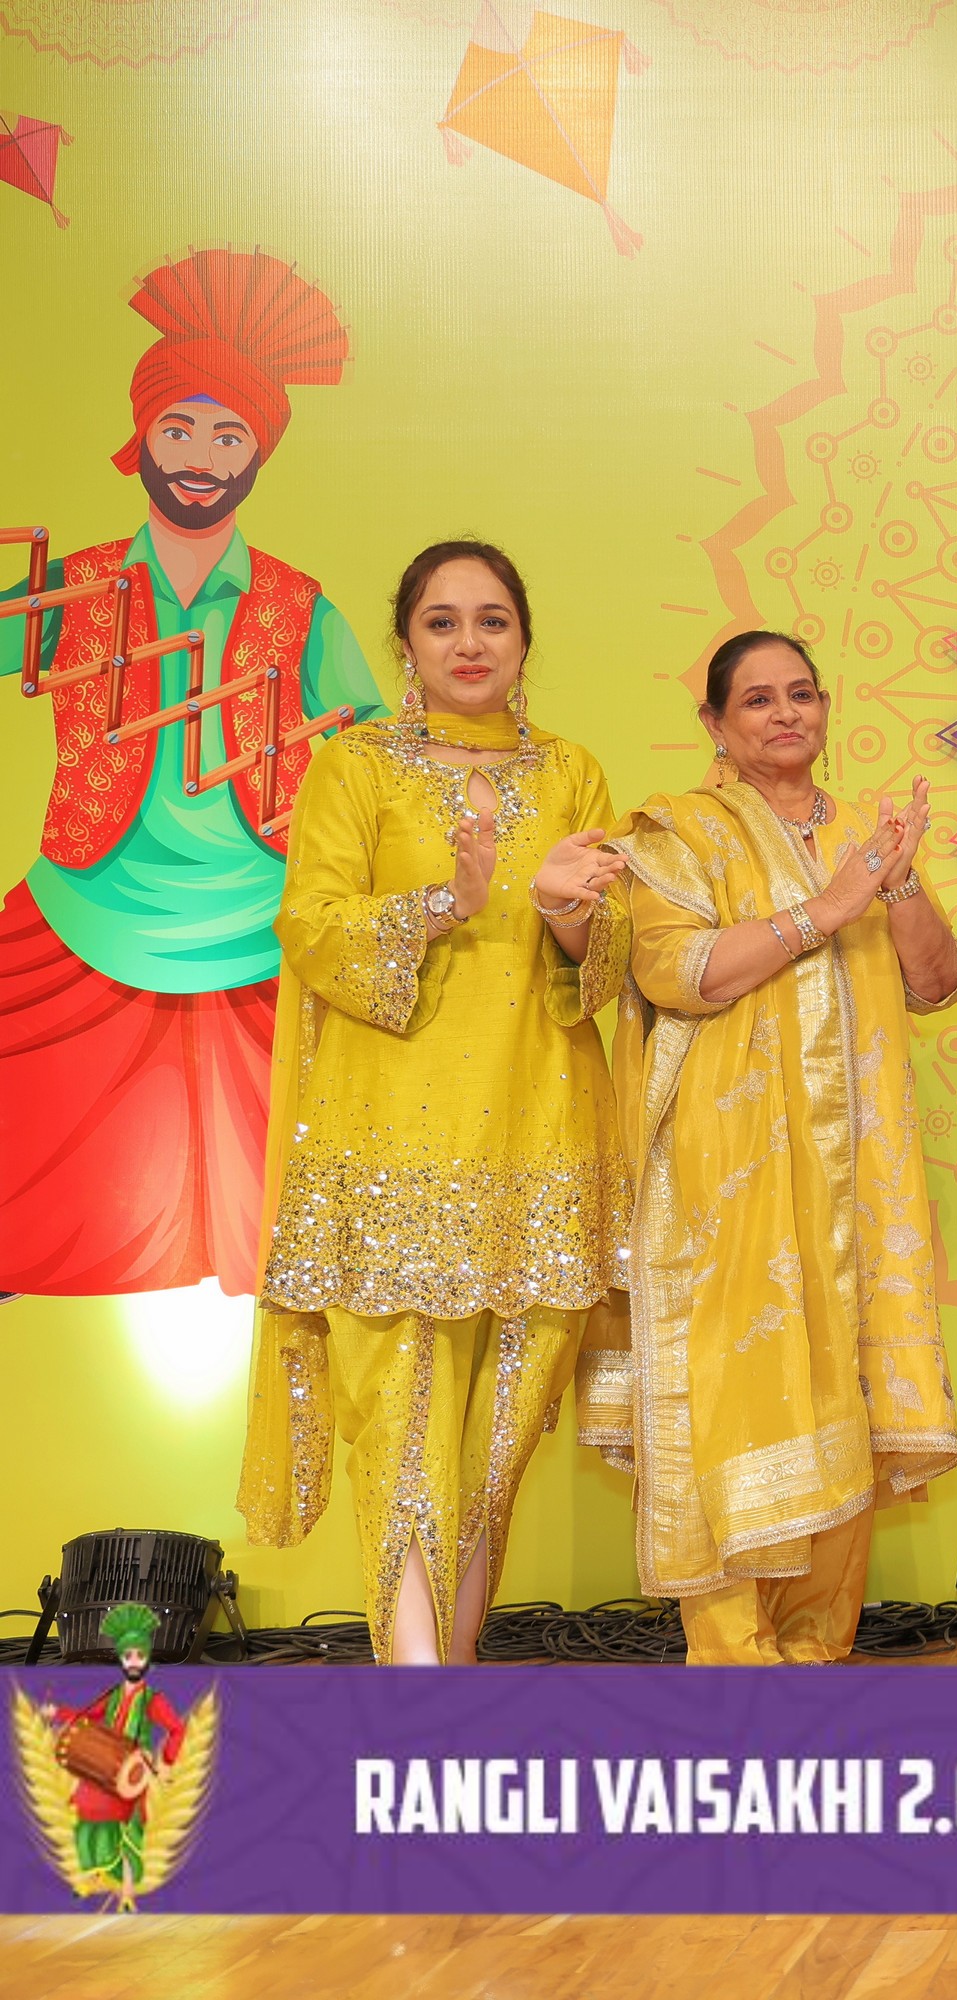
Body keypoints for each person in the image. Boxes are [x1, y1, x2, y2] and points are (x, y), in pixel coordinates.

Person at [236, 541, 631, 1664]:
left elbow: (605, 967)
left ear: (525, 640)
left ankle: (447, 1681)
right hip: (388, 1144)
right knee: (402, 1439)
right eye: (442, 621)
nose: (469, 643)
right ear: (405, 642)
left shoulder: (572, 773)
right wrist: (445, 901)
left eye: (492, 619)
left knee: (498, 1449)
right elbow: (313, 928)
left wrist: (563, 910)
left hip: (543, 1134)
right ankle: (419, 1698)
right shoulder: (355, 766)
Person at [0, 249, 382, 1297]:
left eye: (229, 434)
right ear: (142, 442)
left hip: (258, 910)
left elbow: (374, 749)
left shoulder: (298, 605)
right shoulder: (76, 585)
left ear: (259, 454)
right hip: (91, 893)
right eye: (179, 428)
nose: (202, 457)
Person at [590, 630, 957, 1665]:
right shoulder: (679, 834)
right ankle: (734, 1658)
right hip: (731, 1169)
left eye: (802, 693)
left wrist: (894, 881)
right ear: (714, 723)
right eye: (757, 699)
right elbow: (678, 974)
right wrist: (828, 907)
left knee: (846, 1385)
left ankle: (814, 1654)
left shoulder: (859, 834)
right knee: (738, 1387)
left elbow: (938, 982)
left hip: (861, 1173)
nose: (786, 712)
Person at [46, 1603, 187, 1892]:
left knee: (125, 1829)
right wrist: (57, 1713)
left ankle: (128, 1885)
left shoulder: (152, 1699)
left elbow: (177, 1730)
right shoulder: (113, 1695)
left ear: (146, 1659)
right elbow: (86, 1717)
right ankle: (93, 1876)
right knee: (87, 1819)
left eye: (139, 1656)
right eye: (128, 1656)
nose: (134, 1661)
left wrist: (166, 1763)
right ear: (122, 1659)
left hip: (133, 1772)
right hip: (106, 1767)